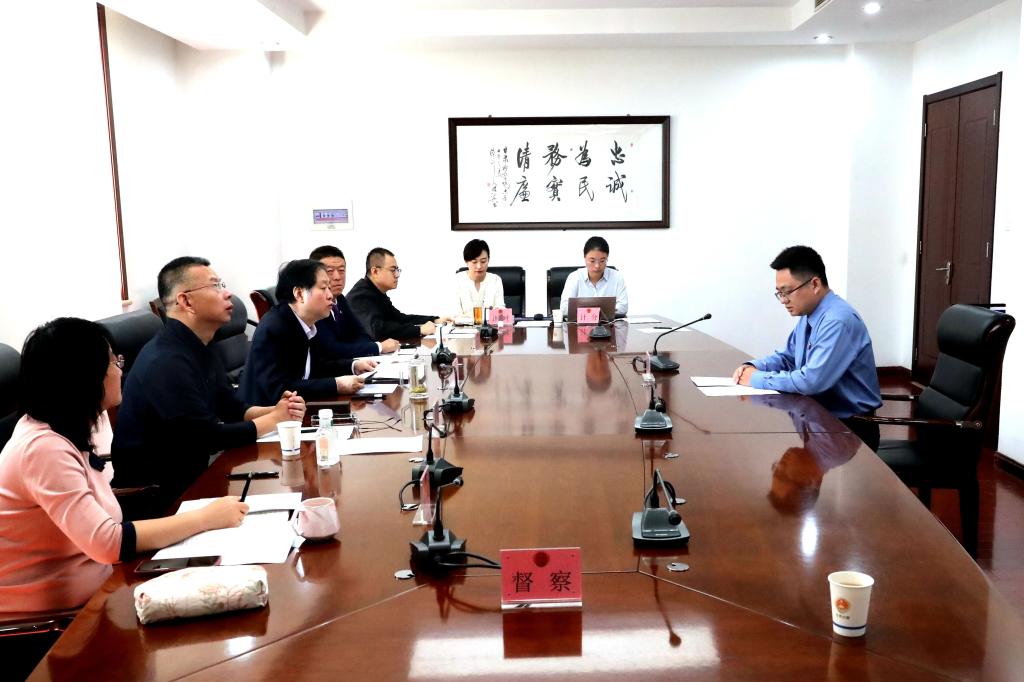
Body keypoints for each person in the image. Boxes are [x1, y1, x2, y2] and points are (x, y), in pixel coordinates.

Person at [0, 318, 249, 616]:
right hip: (61, 622)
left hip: (106, 589)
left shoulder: (74, 426)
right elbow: (108, 543)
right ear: (84, 376)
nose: (120, 370)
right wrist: (205, 518)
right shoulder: (42, 449)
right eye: (112, 362)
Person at [112, 257, 306, 511]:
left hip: (196, 479)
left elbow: (230, 407)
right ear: (186, 301)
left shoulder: (199, 344)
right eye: (215, 286)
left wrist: (278, 411)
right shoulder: (166, 361)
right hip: (159, 499)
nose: (227, 293)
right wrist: (272, 420)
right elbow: (208, 437)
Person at [732, 246, 882, 450]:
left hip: (850, 430)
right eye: (779, 293)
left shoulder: (837, 321)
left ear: (815, 284)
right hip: (820, 421)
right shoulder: (810, 315)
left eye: (787, 292)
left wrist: (756, 378)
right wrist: (753, 367)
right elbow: (788, 357)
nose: (783, 300)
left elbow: (811, 381)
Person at [240, 259, 375, 406]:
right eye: (323, 288)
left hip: (297, 408)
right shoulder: (274, 328)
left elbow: (315, 368)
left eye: (329, 288)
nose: (330, 295)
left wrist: (352, 366)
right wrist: (335, 385)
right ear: (299, 294)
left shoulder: (304, 323)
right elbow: (278, 389)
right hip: (265, 414)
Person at [348, 247, 452, 340]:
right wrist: (419, 330)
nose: (397, 275)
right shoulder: (360, 296)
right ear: (375, 272)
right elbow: (377, 330)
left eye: (397, 270)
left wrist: (434, 320)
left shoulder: (376, 292)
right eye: (393, 270)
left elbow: (400, 319)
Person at [559, 235, 628, 317]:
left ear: (607, 258)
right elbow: (564, 309)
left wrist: (588, 311)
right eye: (592, 261)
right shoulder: (574, 277)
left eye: (602, 261)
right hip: (579, 324)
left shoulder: (617, 277)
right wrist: (600, 311)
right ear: (585, 258)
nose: (597, 266)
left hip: (609, 324)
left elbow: (623, 308)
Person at [455, 239, 505, 318]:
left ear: (488, 259)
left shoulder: (495, 280)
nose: (479, 266)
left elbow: (500, 312)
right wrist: (488, 315)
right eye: (474, 262)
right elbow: (456, 315)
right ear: (466, 261)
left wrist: (469, 316)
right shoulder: (457, 280)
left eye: (483, 261)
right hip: (463, 326)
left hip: (490, 326)